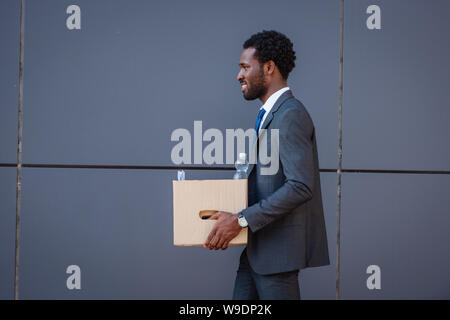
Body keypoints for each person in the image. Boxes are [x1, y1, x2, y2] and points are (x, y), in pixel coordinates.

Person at [203, 30, 330, 300]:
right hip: (257, 251)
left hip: (277, 259)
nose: (239, 76)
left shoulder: (290, 114)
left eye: (245, 67)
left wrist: (240, 220)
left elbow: (300, 185)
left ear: (269, 67)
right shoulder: (271, 115)